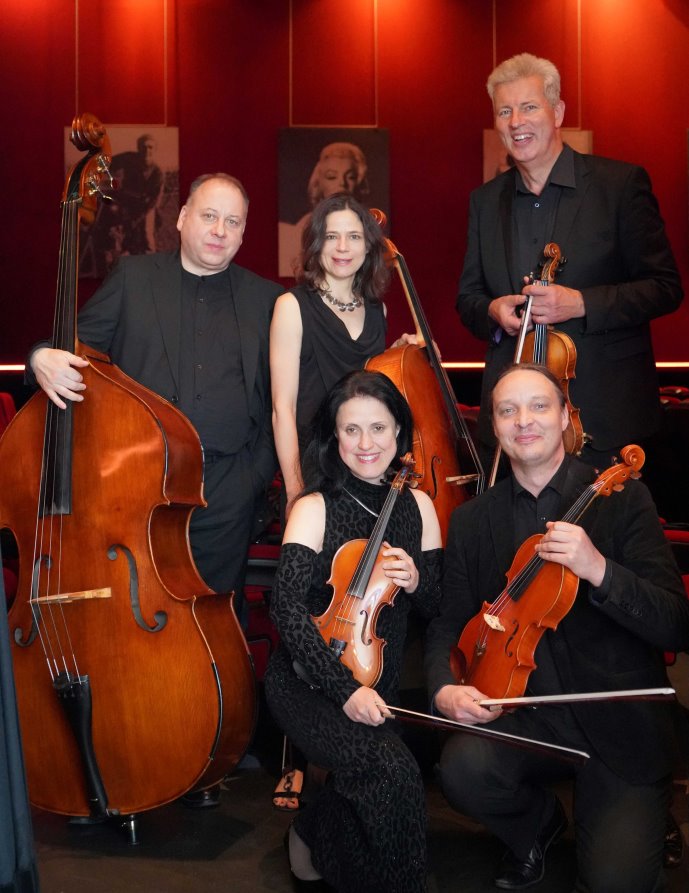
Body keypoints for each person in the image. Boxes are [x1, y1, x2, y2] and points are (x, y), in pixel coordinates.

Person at [28, 172, 283, 805]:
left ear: (244, 233)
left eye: (233, 222)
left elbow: (281, 401)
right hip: (139, 494)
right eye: (209, 216)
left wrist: (251, 479)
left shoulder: (267, 299)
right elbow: (74, 352)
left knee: (213, 627)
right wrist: (40, 356)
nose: (219, 231)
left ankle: (212, 751)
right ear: (183, 217)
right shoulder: (134, 278)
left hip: (225, 491)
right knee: (140, 631)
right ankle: (140, 750)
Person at [425, 363, 689, 892]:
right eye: (508, 410)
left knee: (614, 882)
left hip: (618, 721)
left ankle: (647, 812)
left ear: (566, 416)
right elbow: (449, 621)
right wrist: (444, 689)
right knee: (462, 770)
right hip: (528, 716)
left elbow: (676, 626)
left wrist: (599, 570)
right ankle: (537, 826)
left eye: (539, 406)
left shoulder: (622, 498)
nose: (524, 420)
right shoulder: (473, 519)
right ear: (494, 427)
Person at [456, 52, 683, 473]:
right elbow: (468, 298)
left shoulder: (620, 186)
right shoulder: (485, 201)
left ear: (557, 112)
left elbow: (665, 287)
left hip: (605, 418)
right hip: (514, 426)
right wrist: (492, 310)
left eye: (529, 107)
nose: (516, 122)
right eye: (504, 111)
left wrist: (581, 303)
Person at [264, 369, 443, 892]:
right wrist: (345, 692)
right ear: (334, 436)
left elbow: (437, 605)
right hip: (307, 682)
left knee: (377, 778)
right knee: (392, 772)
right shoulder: (314, 507)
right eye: (351, 430)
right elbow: (287, 611)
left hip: (377, 678)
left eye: (378, 428)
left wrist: (416, 581)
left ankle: (309, 832)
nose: (366, 444)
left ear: (399, 431)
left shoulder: (420, 506)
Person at [279, 142, 369, 276]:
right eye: (331, 176)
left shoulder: (367, 230)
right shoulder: (295, 232)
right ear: (318, 183)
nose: (342, 183)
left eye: (351, 177)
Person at [83, 133, 164, 276]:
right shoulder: (128, 158)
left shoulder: (158, 173)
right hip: (126, 202)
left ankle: (150, 271)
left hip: (145, 207)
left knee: (146, 236)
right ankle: (110, 261)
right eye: (143, 147)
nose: (147, 150)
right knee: (111, 229)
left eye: (150, 147)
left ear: (155, 150)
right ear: (138, 148)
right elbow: (108, 163)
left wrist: (136, 219)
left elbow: (153, 202)